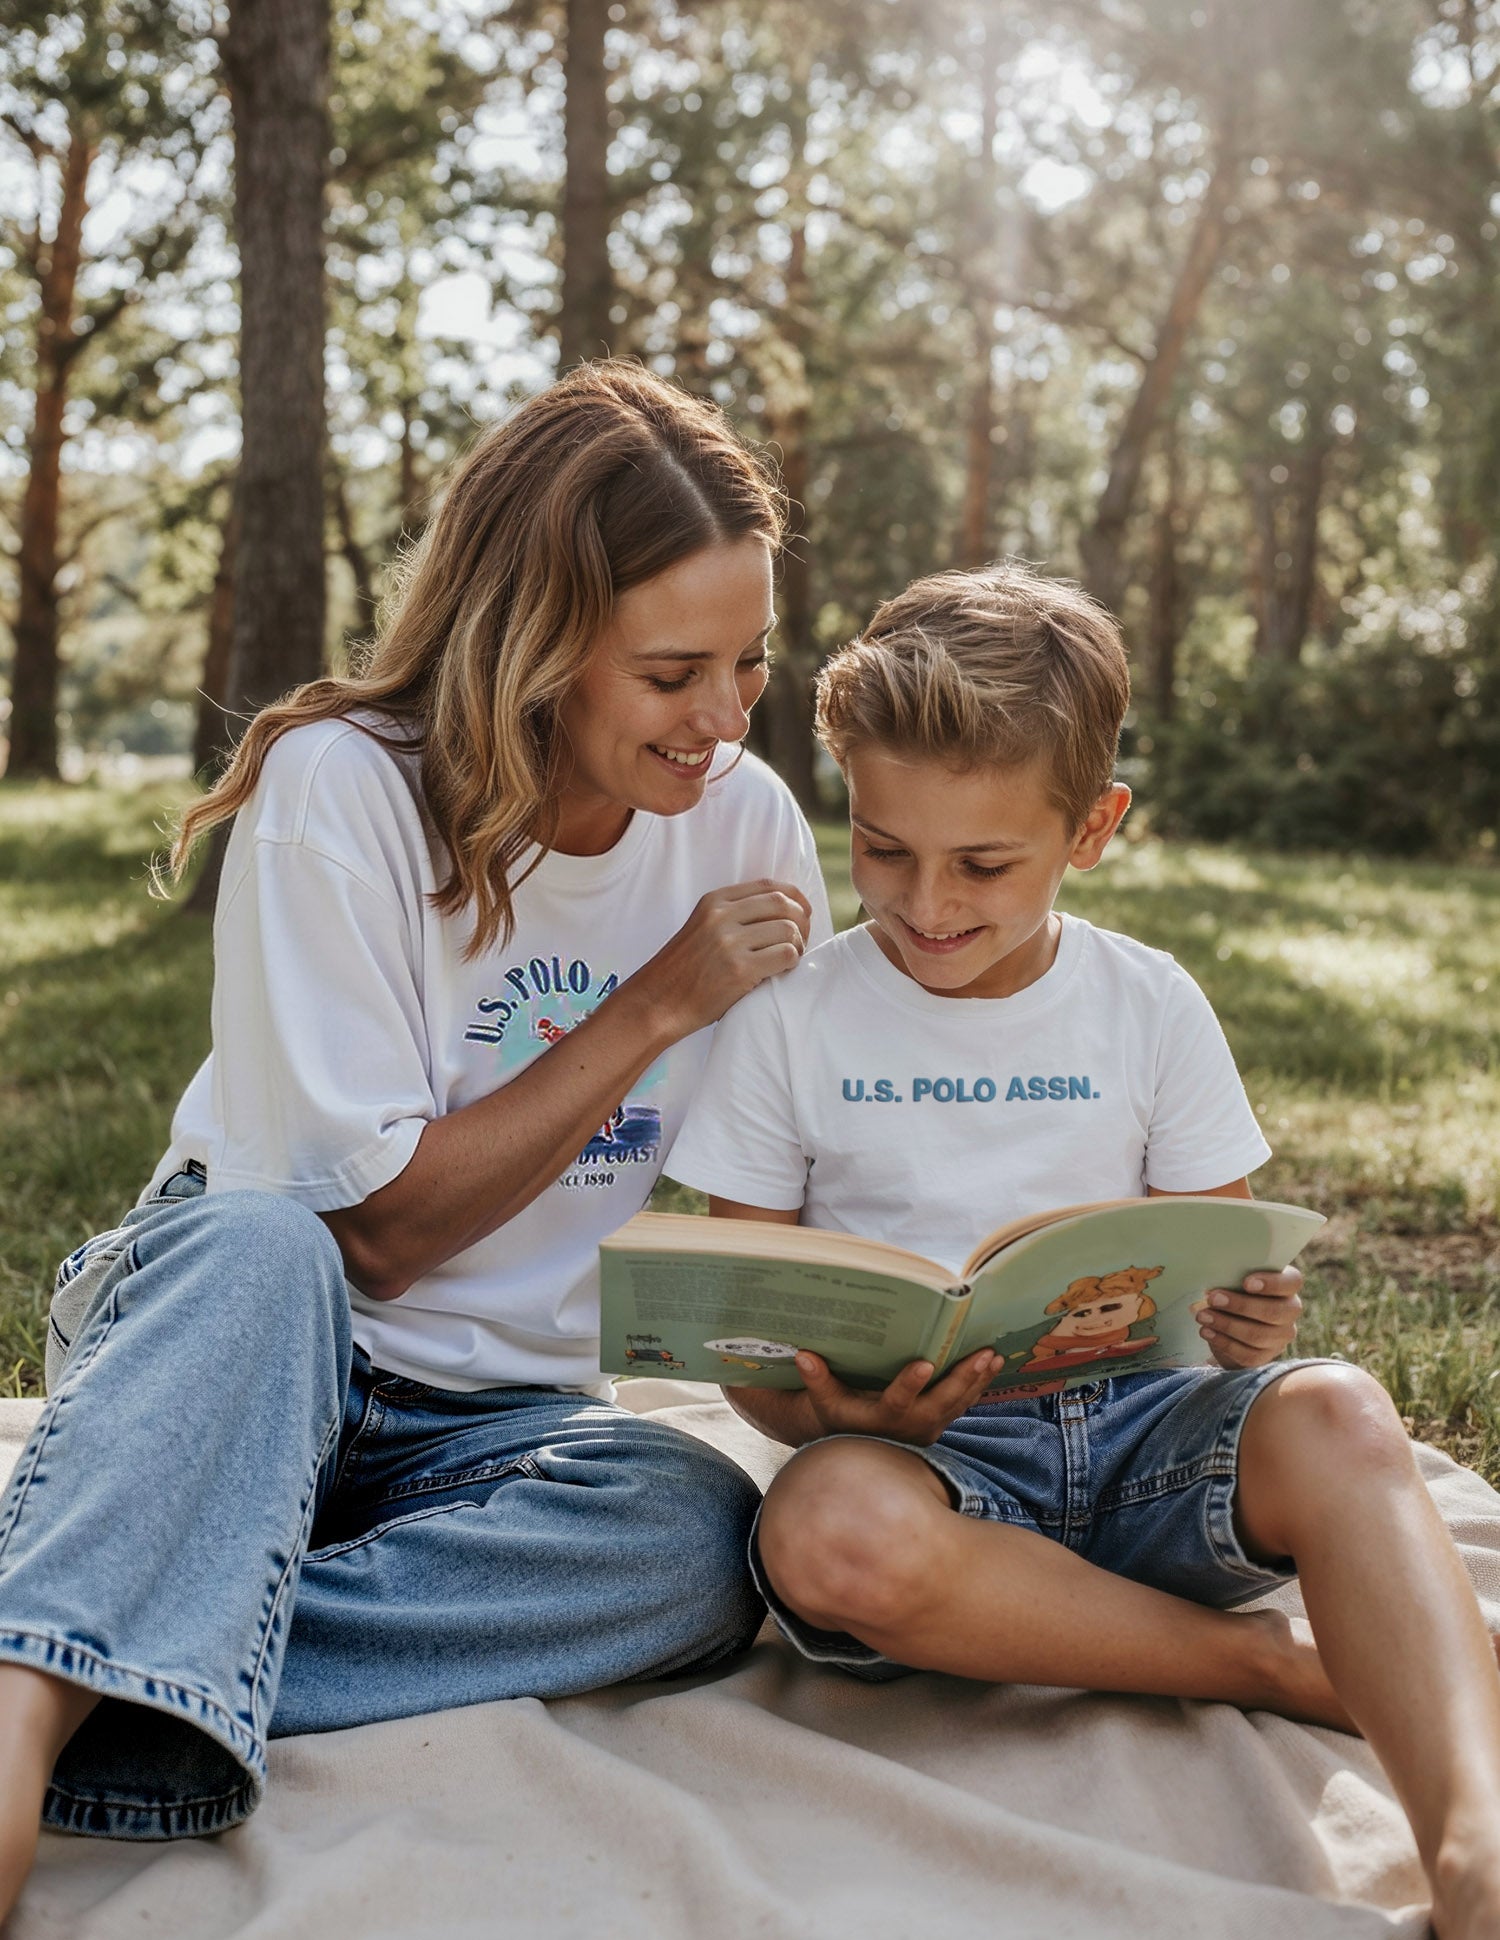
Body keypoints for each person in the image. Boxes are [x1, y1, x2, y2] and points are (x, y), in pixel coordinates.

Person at [0, 360, 833, 1915]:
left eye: (752, 659)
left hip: (494, 1429)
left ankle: (132, 1637)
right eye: (673, 675)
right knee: (264, 1245)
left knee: (699, 1536)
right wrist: (654, 1003)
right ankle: (40, 1694)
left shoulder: (750, 828)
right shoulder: (342, 794)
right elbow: (373, 1231)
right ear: (537, 646)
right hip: (250, 1340)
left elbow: (774, 1202)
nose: (726, 721)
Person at [664, 564, 1500, 1940]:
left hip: (1149, 1441)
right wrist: (838, 1407)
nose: (924, 903)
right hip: (932, 1471)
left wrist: (1250, 1325)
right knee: (821, 1535)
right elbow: (748, 1360)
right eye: (882, 849)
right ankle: (1264, 1666)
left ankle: (1469, 1845)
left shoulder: (1147, 1004)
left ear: (1092, 829)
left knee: (1346, 1411)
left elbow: (1220, 1272)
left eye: (983, 864)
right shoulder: (790, 1021)